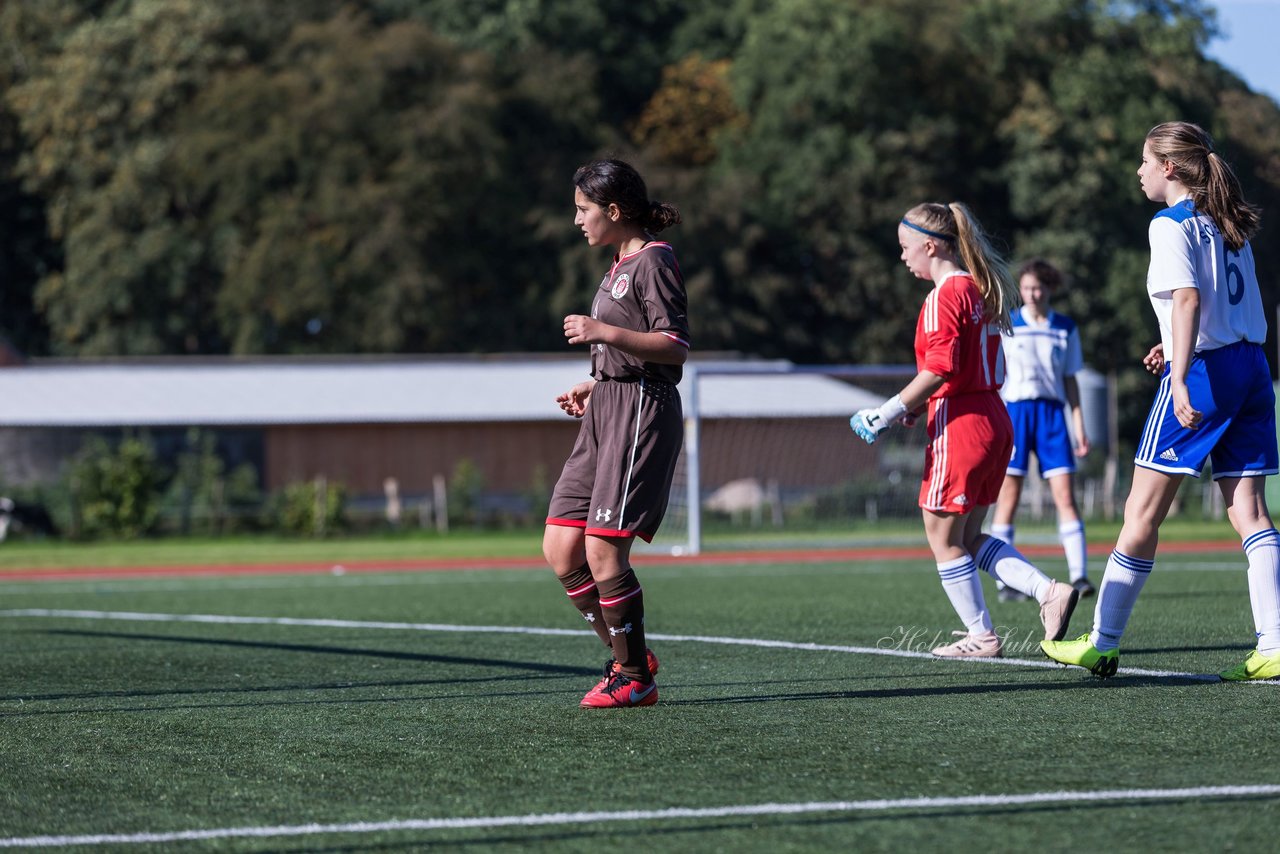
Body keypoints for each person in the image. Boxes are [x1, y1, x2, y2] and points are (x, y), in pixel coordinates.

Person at [1042, 122, 1280, 681]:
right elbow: (1215, 305)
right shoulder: (1228, 222)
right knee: (1251, 513)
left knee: (1140, 512)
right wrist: (1172, 344)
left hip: (1206, 373)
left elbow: (1191, 299)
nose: (1140, 171)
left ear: (1170, 167)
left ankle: (1102, 642)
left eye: (1145, 161)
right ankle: (1274, 644)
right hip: (1252, 366)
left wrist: (1177, 378)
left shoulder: (1169, 223)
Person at [851, 202, 1079, 658]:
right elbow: (956, 368)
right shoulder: (979, 288)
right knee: (969, 538)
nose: (903, 257)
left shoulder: (944, 295)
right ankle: (1048, 592)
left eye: (905, 247)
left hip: (963, 424)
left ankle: (983, 635)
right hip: (994, 416)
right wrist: (917, 408)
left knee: (941, 537)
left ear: (930, 245)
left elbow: (941, 367)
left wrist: (888, 411)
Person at [542, 159, 689, 708]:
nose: (577, 220)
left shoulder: (654, 261)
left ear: (613, 210)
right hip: (607, 408)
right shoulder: (616, 265)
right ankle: (629, 654)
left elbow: (674, 347)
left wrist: (601, 331)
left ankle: (634, 679)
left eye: (583, 209)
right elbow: (626, 350)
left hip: (640, 415)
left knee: (604, 551)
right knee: (561, 547)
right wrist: (594, 380)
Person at [990, 259, 1095, 601]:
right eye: (1027, 288)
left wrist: (1079, 425)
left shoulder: (1065, 328)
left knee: (1065, 497)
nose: (1032, 294)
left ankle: (1079, 576)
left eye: (1038, 288)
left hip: (1052, 416)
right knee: (1009, 498)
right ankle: (1005, 581)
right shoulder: (1007, 325)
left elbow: (1070, 380)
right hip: (1016, 414)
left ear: (1049, 288)